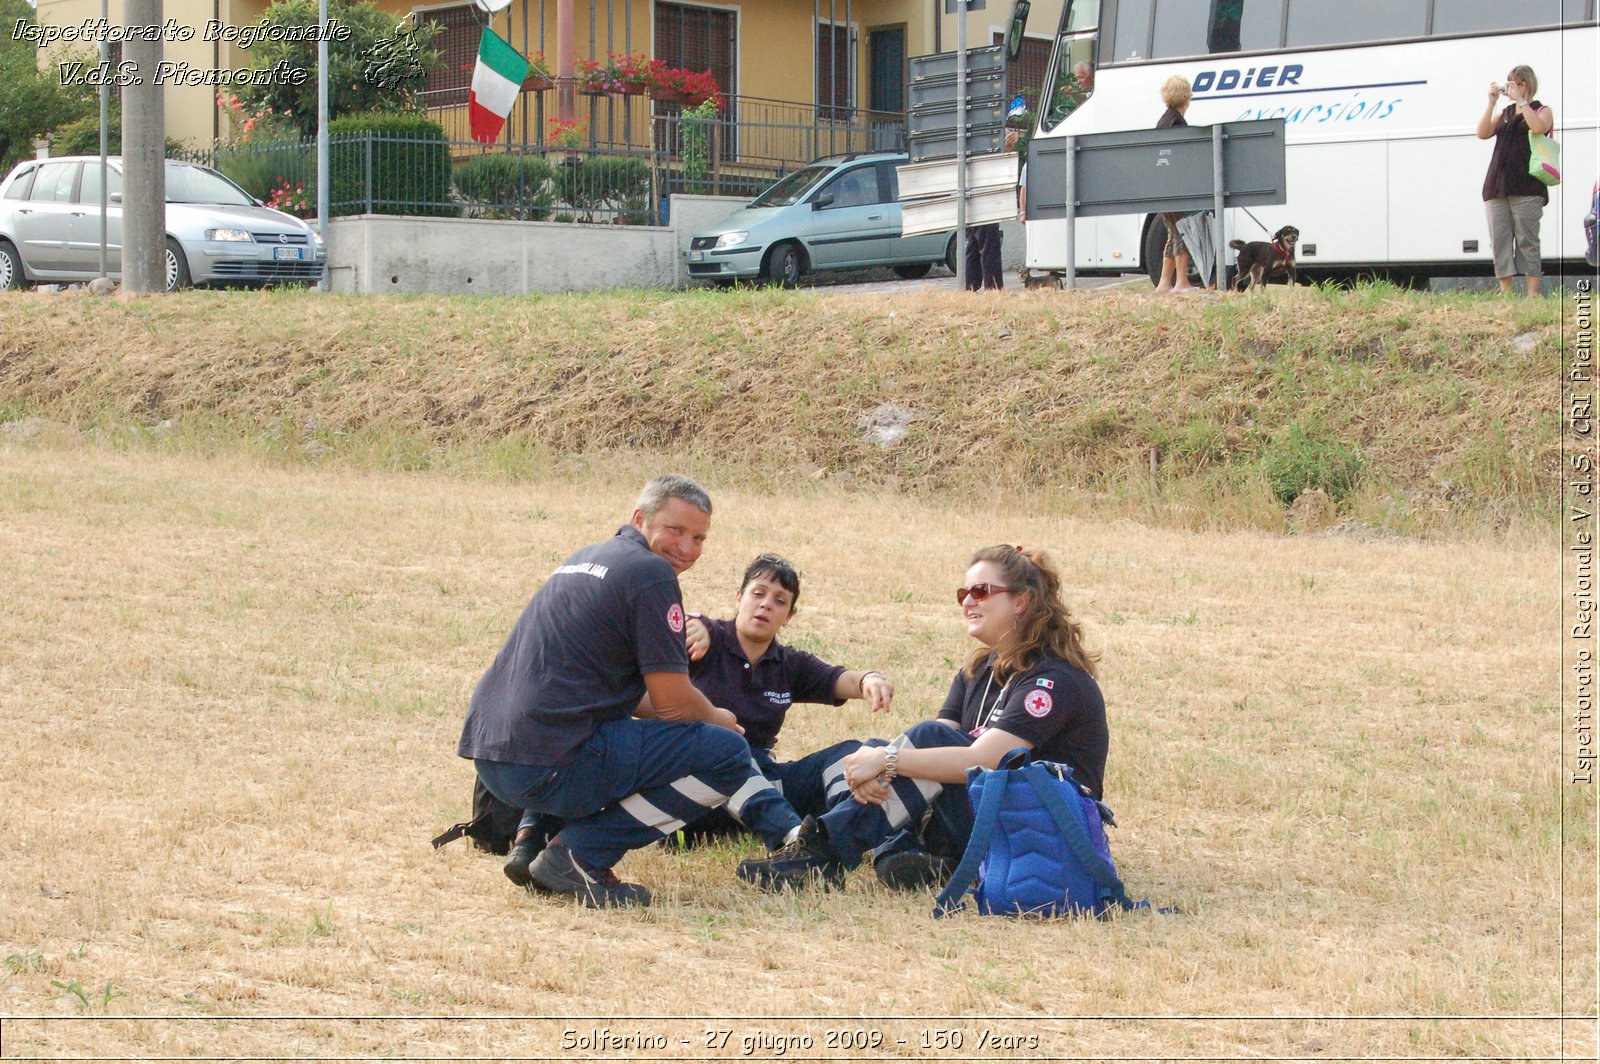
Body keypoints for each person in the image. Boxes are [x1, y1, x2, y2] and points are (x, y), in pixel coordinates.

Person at [458, 475, 805, 908]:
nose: (687, 548)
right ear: (639, 518)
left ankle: (532, 841)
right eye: (675, 530)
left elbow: (618, 697)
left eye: (699, 537)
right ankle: (579, 856)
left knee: (612, 725)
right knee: (727, 754)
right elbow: (674, 703)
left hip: (493, 759)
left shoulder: (583, 558)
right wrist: (719, 719)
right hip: (546, 765)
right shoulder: (651, 575)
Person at [735, 545, 1109, 892]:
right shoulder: (979, 669)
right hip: (999, 818)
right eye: (963, 595)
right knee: (898, 749)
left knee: (910, 746)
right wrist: (885, 758)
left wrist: (886, 760)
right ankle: (914, 852)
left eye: (980, 592)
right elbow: (936, 752)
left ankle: (822, 853)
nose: (967, 603)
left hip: (1049, 831)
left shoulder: (1054, 679)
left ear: (1021, 601)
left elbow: (983, 759)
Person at [651, 553, 894, 845]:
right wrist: (692, 624)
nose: (766, 604)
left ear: (789, 616)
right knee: (731, 754)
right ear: (739, 597)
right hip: (698, 791)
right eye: (758, 593)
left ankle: (852, 830)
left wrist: (871, 679)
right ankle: (794, 841)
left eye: (780, 601)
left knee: (850, 755)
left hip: (765, 784)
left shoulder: (788, 663)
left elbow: (844, 679)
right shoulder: (706, 638)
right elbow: (667, 632)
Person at [1476, 65, 1555, 297]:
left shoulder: (1541, 110)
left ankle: (1532, 294)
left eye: (1519, 83)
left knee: (1527, 240)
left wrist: (1522, 101)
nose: (1514, 87)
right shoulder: (1505, 112)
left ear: (1529, 84)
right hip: (1497, 185)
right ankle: (1506, 293)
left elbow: (1539, 127)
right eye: (1511, 83)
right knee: (1499, 240)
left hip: (1527, 185)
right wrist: (1491, 102)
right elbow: (1482, 132)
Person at [1154, 75, 1197, 294]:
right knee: (1182, 232)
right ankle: (1181, 282)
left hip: (1161, 187)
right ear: (1186, 97)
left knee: (1172, 233)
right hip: (1175, 188)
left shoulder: (1163, 120)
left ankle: (1163, 283)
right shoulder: (1177, 123)